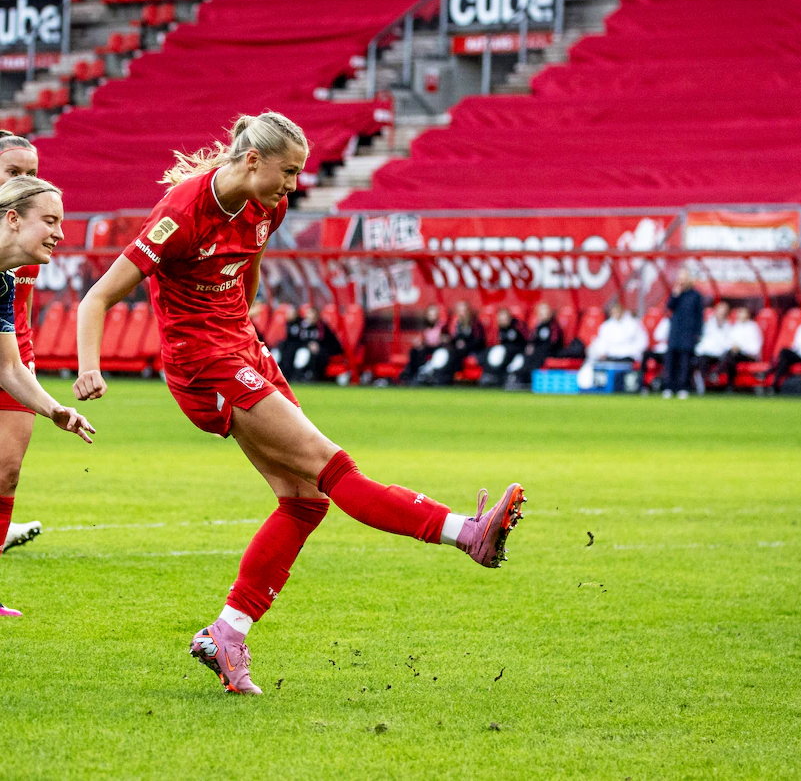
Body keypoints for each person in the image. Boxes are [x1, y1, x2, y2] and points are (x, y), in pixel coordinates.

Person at [73, 112, 524, 694]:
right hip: (203, 367)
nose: (293, 187)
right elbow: (97, 297)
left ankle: (226, 634)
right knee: (330, 465)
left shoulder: (267, 208)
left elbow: (247, 280)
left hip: (244, 352)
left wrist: (243, 333)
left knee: (305, 499)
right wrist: (89, 369)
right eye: (287, 173)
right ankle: (467, 532)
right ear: (252, 159)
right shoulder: (183, 213)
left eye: (299, 175)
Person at [0, 177, 97, 618]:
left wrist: (55, 410)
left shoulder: (3, 283)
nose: (60, 233)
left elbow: (8, 368)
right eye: (51, 221)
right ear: (14, 219)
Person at [0, 133, 50, 562]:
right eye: (14, 172)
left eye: (32, 173)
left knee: (8, 473)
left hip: (12, 357)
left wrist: (24, 358)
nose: (25, 180)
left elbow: (21, 307)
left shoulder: (31, 239)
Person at [664, 271, 703, 399]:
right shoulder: (676, 294)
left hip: (688, 333)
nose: (681, 281)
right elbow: (669, 307)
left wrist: (698, 333)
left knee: (685, 362)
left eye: (684, 279)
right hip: (675, 332)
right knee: (671, 361)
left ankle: (683, 387)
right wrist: (675, 295)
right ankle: (669, 387)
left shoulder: (696, 296)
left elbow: (699, 316)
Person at [507, 302, 565, 387]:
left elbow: (554, 343)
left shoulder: (554, 326)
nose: (543, 315)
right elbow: (533, 339)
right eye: (541, 313)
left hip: (548, 352)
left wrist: (539, 349)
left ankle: (526, 381)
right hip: (537, 352)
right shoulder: (537, 326)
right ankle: (515, 376)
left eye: (545, 312)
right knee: (524, 357)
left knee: (534, 359)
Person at [278, 303, 341, 382]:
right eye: (309, 315)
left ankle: (311, 376)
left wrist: (318, 346)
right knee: (299, 353)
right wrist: (308, 344)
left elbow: (332, 342)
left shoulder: (323, 327)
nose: (311, 317)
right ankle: (295, 375)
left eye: (313, 315)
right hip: (302, 348)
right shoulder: (301, 326)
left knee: (312, 355)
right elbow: (294, 339)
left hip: (320, 351)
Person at [720, 306, 763, 392]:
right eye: (739, 312)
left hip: (749, 355)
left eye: (742, 312)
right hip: (734, 355)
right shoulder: (735, 326)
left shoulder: (753, 327)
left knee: (731, 355)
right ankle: (728, 382)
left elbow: (755, 347)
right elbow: (728, 342)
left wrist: (740, 348)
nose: (739, 315)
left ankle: (728, 382)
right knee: (730, 355)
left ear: (748, 314)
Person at [399, 304, 446, 383]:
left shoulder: (441, 326)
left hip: (438, 348)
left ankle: (419, 373)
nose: (432, 317)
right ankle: (413, 372)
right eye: (430, 315)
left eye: (434, 314)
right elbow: (422, 339)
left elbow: (443, 339)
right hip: (427, 347)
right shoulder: (424, 326)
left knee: (423, 351)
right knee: (414, 350)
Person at [481, 307, 526, 386]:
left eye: (505, 319)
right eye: (501, 319)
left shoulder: (518, 326)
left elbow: (526, 340)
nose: (503, 321)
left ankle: (509, 378)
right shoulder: (498, 330)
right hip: (505, 354)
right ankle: (491, 376)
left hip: (518, 353)